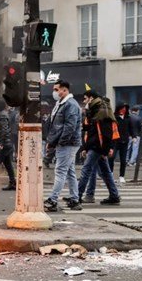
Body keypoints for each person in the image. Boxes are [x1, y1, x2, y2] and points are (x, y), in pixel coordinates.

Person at [44, 80, 82, 212]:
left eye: (56, 89)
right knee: (69, 172)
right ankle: (74, 200)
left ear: (64, 90)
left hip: (68, 143)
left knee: (60, 171)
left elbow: (69, 127)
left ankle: (52, 200)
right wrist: (52, 142)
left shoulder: (70, 104)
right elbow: (56, 126)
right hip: (66, 142)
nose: (54, 92)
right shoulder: (61, 104)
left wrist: (59, 142)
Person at [78, 92, 121, 205]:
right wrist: (86, 147)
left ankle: (76, 196)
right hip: (96, 146)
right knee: (105, 172)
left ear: (91, 98)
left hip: (97, 147)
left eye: (85, 99)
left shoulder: (100, 112)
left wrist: (105, 150)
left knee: (86, 170)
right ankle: (114, 195)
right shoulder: (95, 111)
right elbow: (91, 132)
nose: (84, 101)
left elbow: (105, 133)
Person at [109, 102, 131, 183]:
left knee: (123, 160)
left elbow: (130, 128)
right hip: (115, 141)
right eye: (122, 108)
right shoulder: (114, 117)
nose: (123, 110)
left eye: (125, 108)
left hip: (124, 141)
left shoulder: (128, 118)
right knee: (111, 157)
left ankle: (122, 176)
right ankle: (110, 174)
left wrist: (133, 136)